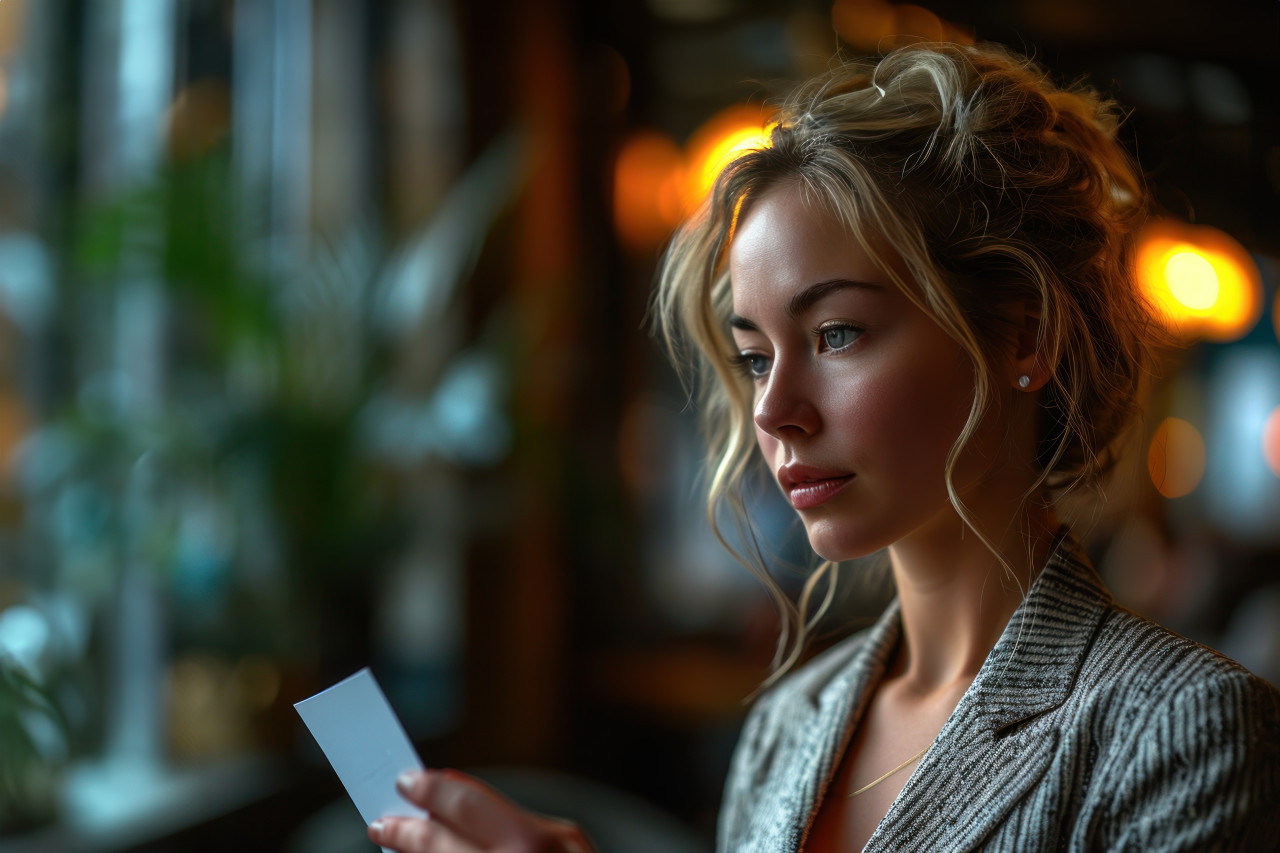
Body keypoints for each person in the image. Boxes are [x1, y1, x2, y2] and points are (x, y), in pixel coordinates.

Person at [367, 41, 1280, 853]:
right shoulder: (787, 724)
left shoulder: (1182, 727)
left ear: (1024, 335)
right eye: (755, 357)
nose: (775, 411)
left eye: (837, 334)